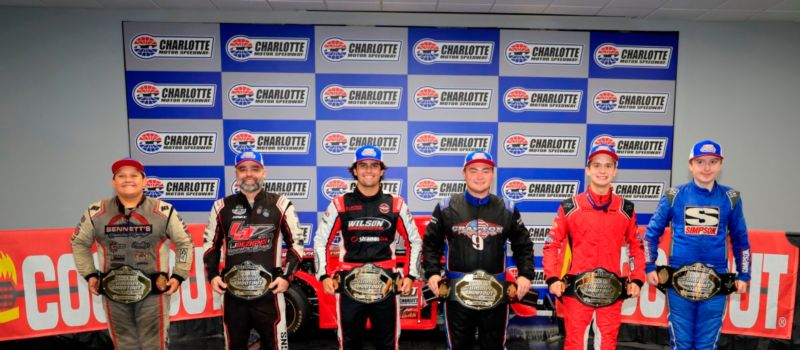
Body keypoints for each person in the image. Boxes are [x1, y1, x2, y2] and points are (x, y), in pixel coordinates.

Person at [71, 158, 194, 350]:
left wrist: (179, 275)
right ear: (113, 182)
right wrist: (90, 274)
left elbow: (185, 243)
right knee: (123, 345)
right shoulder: (96, 212)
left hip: (153, 294)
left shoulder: (163, 211)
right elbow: (79, 243)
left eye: (134, 175)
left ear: (144, 181)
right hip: (114, 294)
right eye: (121, 176)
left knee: (154, 346)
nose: (127, 180)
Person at [422, 150, 535, 350]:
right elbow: (431, 244)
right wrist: (431, 273)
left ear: (493, 173)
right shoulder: (446, 207)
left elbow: (523, 245)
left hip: (495, 294)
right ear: (463, 173)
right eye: (473, 170)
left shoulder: (507, 208)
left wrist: (525, 275)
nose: (479, 176)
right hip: (456, 294)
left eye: (485, 170)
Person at [313, 145, 422, 350]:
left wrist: (410, 276)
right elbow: (320, 240)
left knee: (387, 344)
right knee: (349, 343)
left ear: (382, 171)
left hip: (386, 285)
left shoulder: (396, 204)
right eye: (363, 165)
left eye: (374, 165)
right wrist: (323, 275)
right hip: (349, 284)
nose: (368, 170)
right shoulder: (339, 204)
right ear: (354, 170)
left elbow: (414, 241)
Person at [644, 140, 751, 350]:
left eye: (713, 161)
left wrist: (744, 275)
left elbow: (741, 241)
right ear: (690, 164)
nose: (706, 167)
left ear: (721, 165)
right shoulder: (673, 196)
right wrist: (649, 267)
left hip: (717, 280)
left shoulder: (731, 198)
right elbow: (651, 235)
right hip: (678, 280)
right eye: (700, 162)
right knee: (681, 343)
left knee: (707, 344)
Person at [542, 144, 645, 350]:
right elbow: (551, 245)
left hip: (611, 290)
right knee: (574, 344)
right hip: (577, 289)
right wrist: (553, 278)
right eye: (596, 165)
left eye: (608, 166)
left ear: (615, 171)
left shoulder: (626, 209)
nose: (602, 171)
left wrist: (637, 278)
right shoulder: (570, 207)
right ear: (587, 170)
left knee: (607, 344)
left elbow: (636, 246)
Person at [203, 149, 305, 350]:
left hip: (270, 294)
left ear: (264, 172)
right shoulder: (221, 206)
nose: (249, 173)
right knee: (234, 345)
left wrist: (286, 278)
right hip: (233, 295)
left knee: (276, 346)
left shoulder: (281, 204)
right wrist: (213, 275)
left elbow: (297, 245)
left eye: (254, 169)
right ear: (236, 174)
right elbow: (210, 246)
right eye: (243, 169)